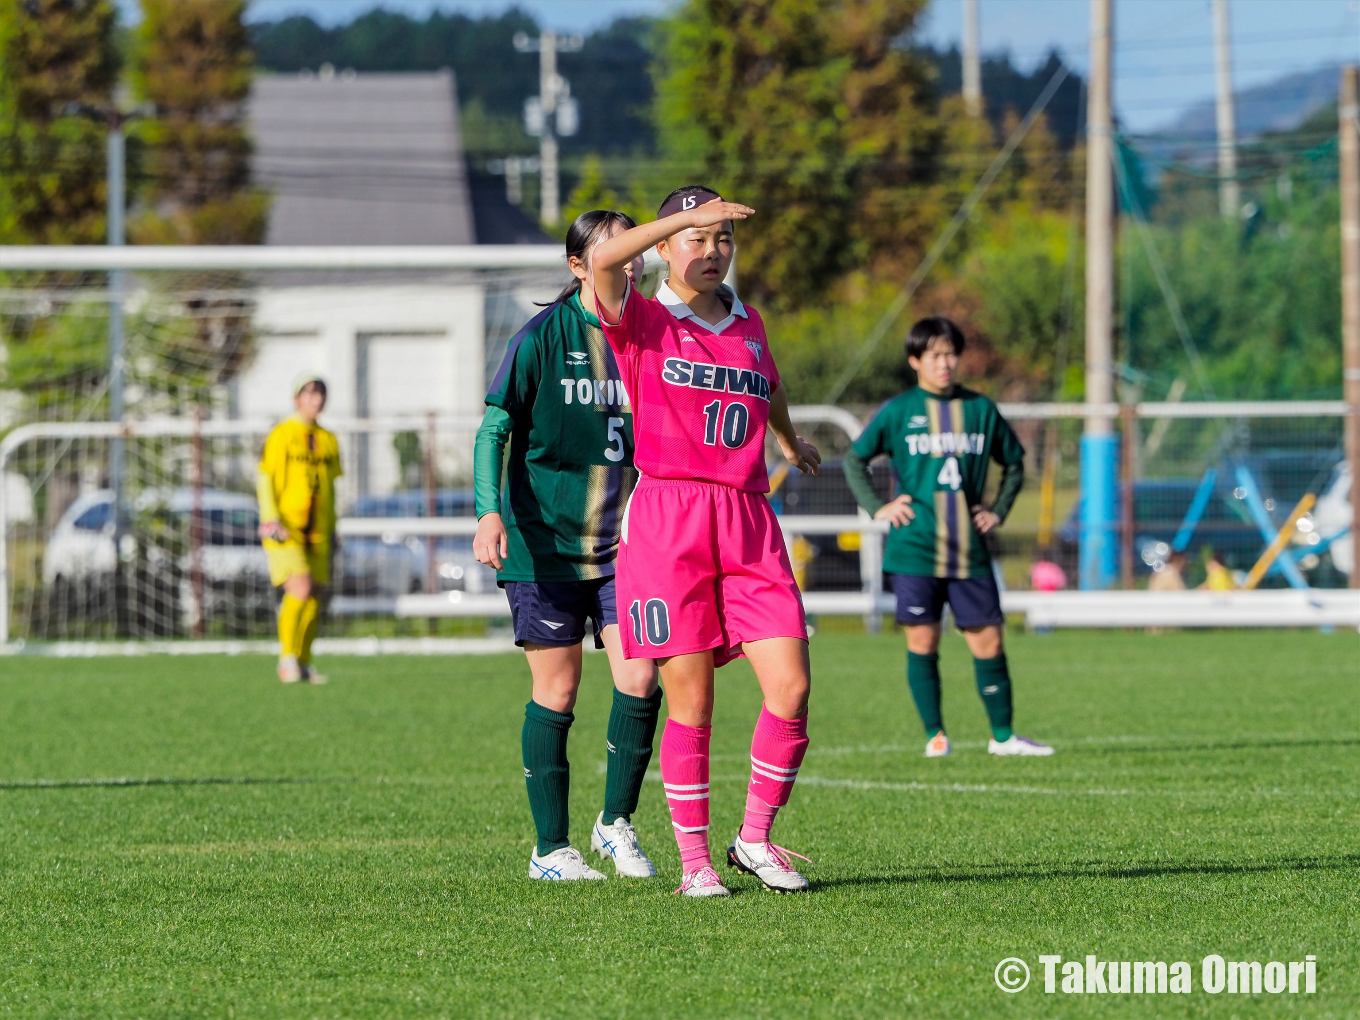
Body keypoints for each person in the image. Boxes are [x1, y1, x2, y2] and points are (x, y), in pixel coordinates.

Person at [591, 186, 821, 897]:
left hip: (748, 518)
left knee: (791, 685)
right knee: (691, 702)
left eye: (722, 237)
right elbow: (601, 259)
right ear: (664, 248)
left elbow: (768, 383)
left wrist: (788, 439)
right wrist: (679, 218)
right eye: (697, 237)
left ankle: (754, 839)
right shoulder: (644, 319)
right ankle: (694, 864)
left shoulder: (749, 322)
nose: (712, 249)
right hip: (669, 519)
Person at [473, 210, 663, 883]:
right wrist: (488, 513)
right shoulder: (538, 341)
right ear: (579, 266)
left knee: (640, 678)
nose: (630, 262)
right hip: (544, 546)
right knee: (558, 691)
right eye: (614, 251)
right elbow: (493, 429)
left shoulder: (653, 337)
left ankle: (615, 823)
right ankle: (550, 850)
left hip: (625, 547)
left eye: (637, 249)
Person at [843, 317, 1053, 759]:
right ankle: (935, 735)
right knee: (923, 642)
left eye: (951, 354)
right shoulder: (899, 411)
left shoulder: (980, 409)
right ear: (915, 360)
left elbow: (1014, 464)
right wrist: (879, 507)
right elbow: (855, 460)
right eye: (935, 355)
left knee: (989, 641)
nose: (945, 363)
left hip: (969, 551)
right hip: (914, 549)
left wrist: (997, 511)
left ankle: (1003, 736)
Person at [257, 375, 341, 684]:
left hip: (318, 530)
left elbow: (331, 488)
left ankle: (304, 663)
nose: (316, 399)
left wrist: (333, 527)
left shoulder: (329, 439)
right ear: (297, 399)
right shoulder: (282, 434)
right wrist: (270, 518)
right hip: (285, 529)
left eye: (321, 393)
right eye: (310, 393)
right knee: (300, 588)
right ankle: (287, 658)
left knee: (314, 596)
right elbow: (265, 478)